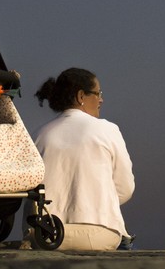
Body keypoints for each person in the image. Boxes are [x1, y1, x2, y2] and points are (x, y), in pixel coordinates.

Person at [33, 67, 135, 251]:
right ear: (81, 96)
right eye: (98, 93)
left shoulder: (39, 134)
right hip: (96, 233)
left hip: (44, 233)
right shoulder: (107, 129)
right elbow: (125, 189)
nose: (101, 99)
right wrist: (96, 201)